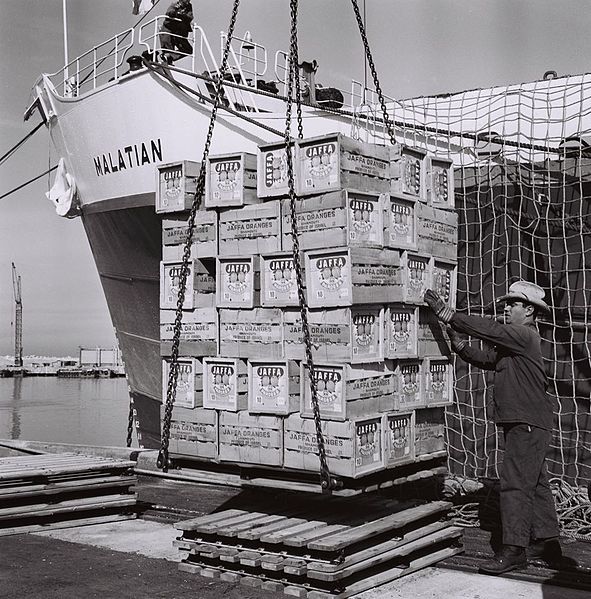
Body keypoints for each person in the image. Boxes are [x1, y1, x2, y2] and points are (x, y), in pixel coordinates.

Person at [424, 280, 561, 575]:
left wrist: (451, 315)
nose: (507, 307)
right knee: (535, 483)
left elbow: (491, 330)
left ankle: (514, 550)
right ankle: (547, 543)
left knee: (514, 484)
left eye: (513, 304)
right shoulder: (516, 345)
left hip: (526, 422)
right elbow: (489, 359)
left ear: (529, 310)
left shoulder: (523, 335)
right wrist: (460, 347)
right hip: (529, 422)